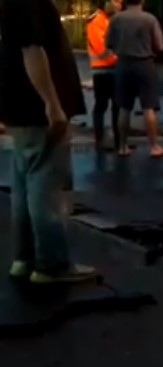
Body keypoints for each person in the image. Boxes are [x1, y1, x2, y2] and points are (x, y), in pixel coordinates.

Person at [0, 0, 98, 283]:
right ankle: (52, 264)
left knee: (25, 184)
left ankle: (25, 258)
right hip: (36, 108)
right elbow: (32, 49)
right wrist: (52, 104)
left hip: (18, 105)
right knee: (47, 187)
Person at [106, 0, 163, 158]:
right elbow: (160, 46)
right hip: (144, 64)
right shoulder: (149, 19)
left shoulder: (116, 19)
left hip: (123, 65)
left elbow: (109, 43)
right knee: (149, 106)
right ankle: (154, 147)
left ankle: (122, 146)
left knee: (124, 107)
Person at [87, 0, 123, 151]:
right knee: (101, 105)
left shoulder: (114, 19)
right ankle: (100, 140)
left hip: (115, 70)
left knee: (117, 106)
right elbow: (103, 51)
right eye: (115, 1)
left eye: (120, 2)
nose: (118, 5)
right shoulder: (96, 21)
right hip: (102, 70)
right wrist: (121, 59)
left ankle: (120, 141)